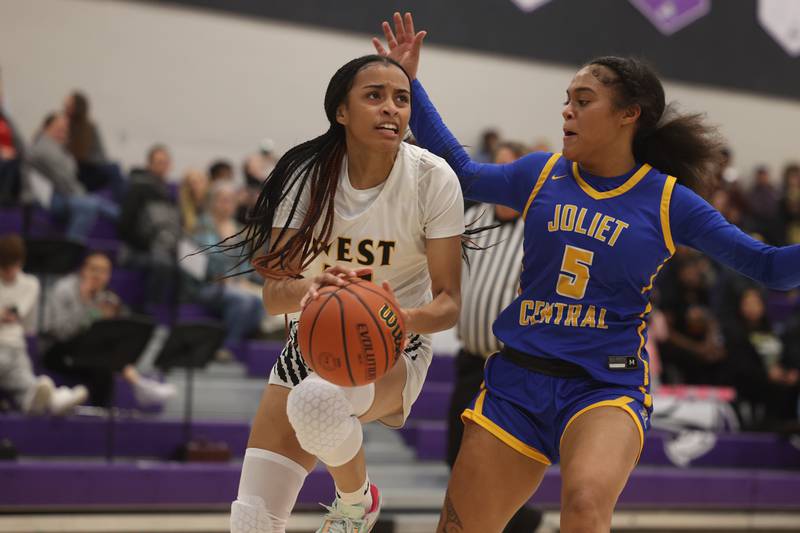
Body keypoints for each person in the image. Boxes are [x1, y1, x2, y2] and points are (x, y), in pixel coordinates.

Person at [373, 12, 800, 532]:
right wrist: (410, 82)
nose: (567, 112)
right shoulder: (541, 172)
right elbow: (462, 173)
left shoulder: (669, 202)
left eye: (582, 101)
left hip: (605, 385)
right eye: (567, 101)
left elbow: (770, 268)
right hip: (517, 381)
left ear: (629, 115)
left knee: (584, 506)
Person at [226, 54, 464, 533]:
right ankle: (363, 496)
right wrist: (310, 288)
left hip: (396, 342)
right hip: (310, 340)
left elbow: (448, 305)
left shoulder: (432, 178)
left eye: (401, 98)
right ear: (341, 111)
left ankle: (354, 506)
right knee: (251, 520)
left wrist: (395, 315)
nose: (390, 109)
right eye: (374, 96)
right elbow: (274, 296)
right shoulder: (307, 176)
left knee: (317, 400)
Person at [447, 141, 542, 533]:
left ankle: (519, 523)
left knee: (494, 465)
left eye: (509, 170)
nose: (500, 179)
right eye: (496, 168)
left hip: (508, 366)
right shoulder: (472, 217)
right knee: (454, 455)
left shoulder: (537, 226)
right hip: (470, 356)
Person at [41, 251, 176, 408]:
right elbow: (60, 332)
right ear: (83, 270)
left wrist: (113, 318)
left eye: (104, 271)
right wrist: (86, 307)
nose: (98, 275)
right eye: (94, 269)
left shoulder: (107, 298)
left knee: (106, 359)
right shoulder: (64, 289)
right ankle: (139, 385)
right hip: (57, 351)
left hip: (89, 353)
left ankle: (129, 393)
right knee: (102, 362)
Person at [0, 234, 88, 415]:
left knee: (25, 381)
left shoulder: (31, 284)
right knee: (19, 376)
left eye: (14, 266)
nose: (10, 273)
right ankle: (55, 399)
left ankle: (47, 400)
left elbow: (27, 325)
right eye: (4, 268)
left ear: (21, 262)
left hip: (15, 347)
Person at [27, 113, 120, 242]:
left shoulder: (58, 148)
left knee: (96, 202)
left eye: (65, 130)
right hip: (53, 198)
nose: (63, 132)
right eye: (58, 129)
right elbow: (64, 179)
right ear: (46, 128)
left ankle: (125, 219)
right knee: (90, 204)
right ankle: (71, 247)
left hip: (64, 194)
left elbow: (70, 173)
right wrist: (81, 194)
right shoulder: (43, 148)